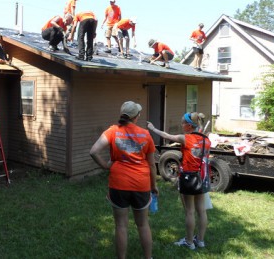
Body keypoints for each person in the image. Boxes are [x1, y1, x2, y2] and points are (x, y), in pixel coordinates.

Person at [90, 101, 158, 259]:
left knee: (121, 226)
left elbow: (93, 151)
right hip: (141, 184)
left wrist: (106, 166)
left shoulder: (113, 131)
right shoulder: (145, 134)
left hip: (118, 183)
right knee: (142, 224)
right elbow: (152, 165)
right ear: (136, 117)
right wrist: (154, 186)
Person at [147, 112, 211, 250]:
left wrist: (152, 128)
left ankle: (189, 242)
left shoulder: (185, 138)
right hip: (202, 177)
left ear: (188, 126)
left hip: (189, 178)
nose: (181, 125)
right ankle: (200, 240)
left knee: (189, 211)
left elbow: (167, 136)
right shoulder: (206, 139)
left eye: (183, 123)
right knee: (201, 211)